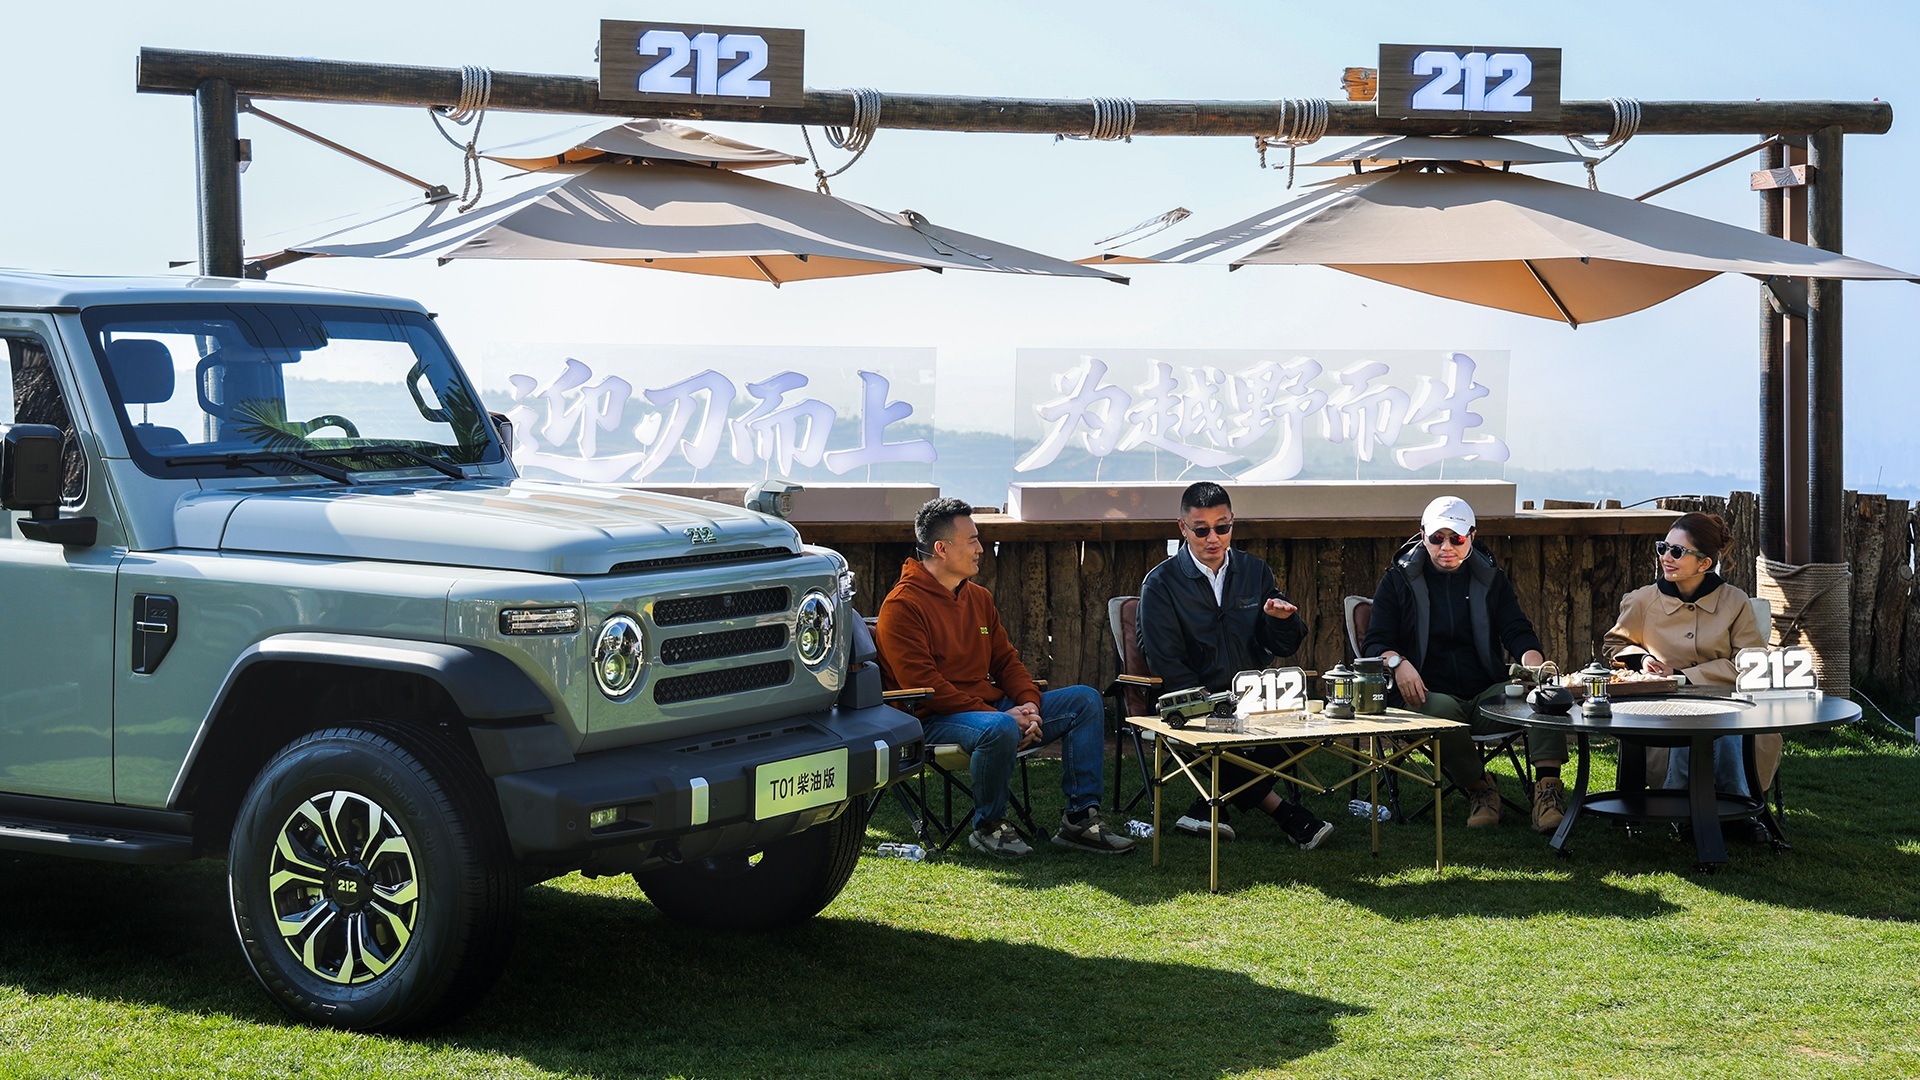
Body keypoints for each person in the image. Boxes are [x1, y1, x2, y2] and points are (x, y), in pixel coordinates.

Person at [876, 497, 1135, 859]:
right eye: (972, 541)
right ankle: (989, 825)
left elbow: (1006, 662)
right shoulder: (902, 606)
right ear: (941, 549)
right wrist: (1004, 716)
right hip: (931, 719)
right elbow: (926, 687)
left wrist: (1029, 705)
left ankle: (1080, 819)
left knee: (1085, 701)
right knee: (998, 728)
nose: (980, 549)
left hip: (990, 712)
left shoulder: (979, 598)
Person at [1136, 482, 1335, 850]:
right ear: (1183, 528)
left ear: (1232, 523)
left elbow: (1283, 645)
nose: (1213, 538)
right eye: (1201, 530)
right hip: (1192, 702)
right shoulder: (1160, 584)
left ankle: (1208, 806)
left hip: (1253, 698)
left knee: (1309, 728)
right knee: (1224, 732)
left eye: (1222, 527)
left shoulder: (1255, 571)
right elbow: (1166, 660)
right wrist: (1210, 702)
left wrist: (1280, 621)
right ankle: (1286, 814)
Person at [1361, 495, 1569, 832]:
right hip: (1426, 692)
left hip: (1487, 692)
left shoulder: (1491, 578)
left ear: (1472, 536)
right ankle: (1480, 789)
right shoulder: (1398, 579)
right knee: (1440, 709)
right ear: (1422, 535)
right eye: (1436, 538)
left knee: (1545, 695)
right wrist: (1398, 663)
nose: (1446, 547)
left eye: (1456, 538)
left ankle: (1547, 791)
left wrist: (1534, 667)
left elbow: (1517, 630)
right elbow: (1375, 643)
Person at [1603, 512, 1775, 807]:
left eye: (1677, 551)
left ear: (1704, 564)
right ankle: (1687, 808)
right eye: (1662, 548)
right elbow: (1615, 644)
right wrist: (1642, 660)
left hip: (1727, 705)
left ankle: (1737, 809)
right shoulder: (1642, 600)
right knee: (1687, 726)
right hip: (1662, 710)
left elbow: (1751, 663)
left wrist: (1682, 674)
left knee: (1725, 727)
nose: (1665, 557)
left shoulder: (1735, 602)